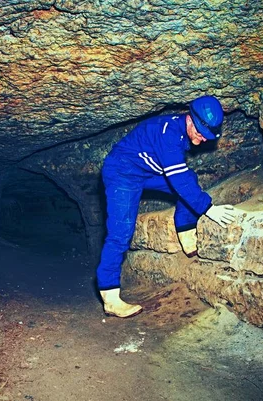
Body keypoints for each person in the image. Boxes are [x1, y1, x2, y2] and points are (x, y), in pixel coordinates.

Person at [97, 95, 237, 318]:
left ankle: (185, 231)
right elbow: (178, 178)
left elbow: (182, 178)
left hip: (147, 171)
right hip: (122, 172)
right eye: (200, 134)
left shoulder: (183, 131)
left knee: (188, 180)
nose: (201, 140)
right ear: (190, 120)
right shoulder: (167, 132)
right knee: (120, 231)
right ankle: (111, 298)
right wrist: (209, 209)